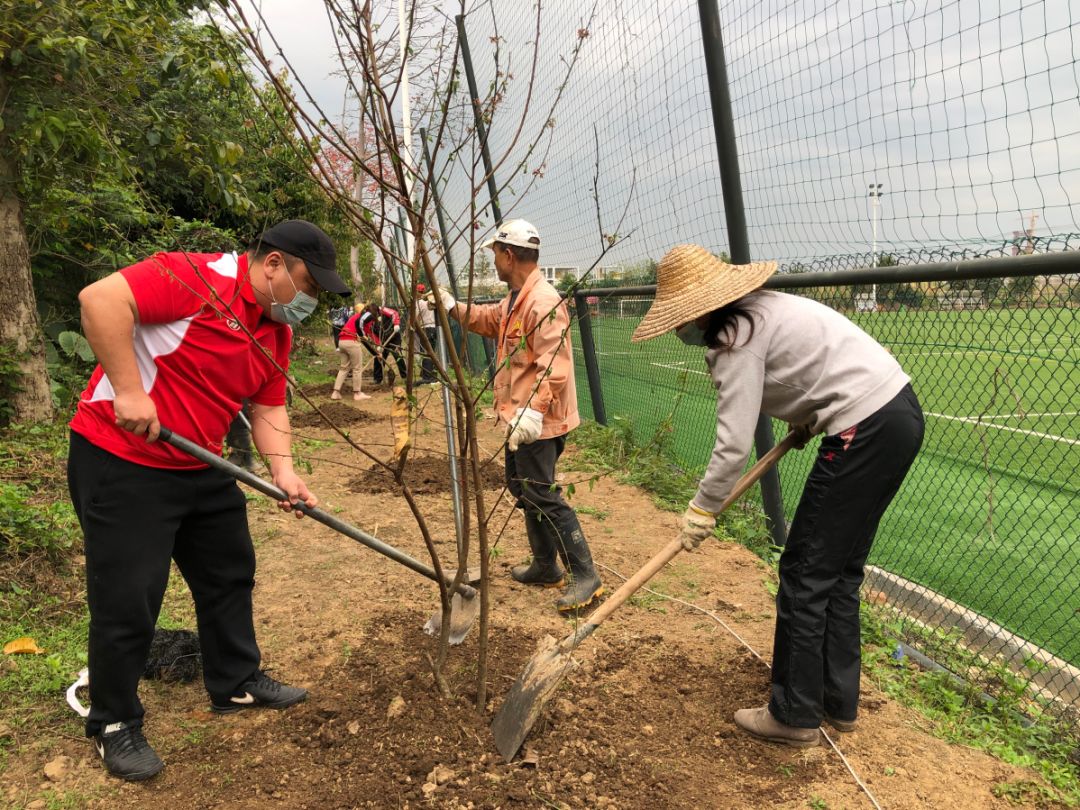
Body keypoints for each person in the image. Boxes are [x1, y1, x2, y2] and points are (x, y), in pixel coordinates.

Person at [68, 219, 351, 781]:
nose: (310, 302)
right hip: (123, 460)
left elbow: (269, 406)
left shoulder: (275, 330)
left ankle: (236, 682)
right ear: (272, 265)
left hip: (201, 461)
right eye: (308, 286)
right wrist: (129, 390)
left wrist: (285, 472)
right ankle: (114, 723)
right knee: (130, 596)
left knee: (229, 572)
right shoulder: (195, 276)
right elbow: (99, 300)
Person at [631, 244, 924, 747]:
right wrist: (807, 415)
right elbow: (808, 368)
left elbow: (733, 443)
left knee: (804, 571)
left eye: (682, 318)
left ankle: (793, 715)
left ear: (701, 310)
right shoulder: (766, 308)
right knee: (837, 572)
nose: (681, 329)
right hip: (897, 413)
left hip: (862, 428)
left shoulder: (735, 340)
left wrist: (703, 506)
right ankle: (837, 702)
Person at [430, 219, 603, 612]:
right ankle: (545, 565)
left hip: (538, 420)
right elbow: (489, 321)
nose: (492, 262)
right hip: (519, 418)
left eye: (494, 254)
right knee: (521, 487)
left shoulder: (543, 302)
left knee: (540, 492)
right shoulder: (515, 300)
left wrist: (533, 412)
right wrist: (452, 307)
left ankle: (585, 574)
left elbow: (554, 365)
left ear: (509, 255)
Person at [361, 302, 407, 385]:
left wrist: (396, 324)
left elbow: (394, 313)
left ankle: (405, 376)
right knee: (378, 357)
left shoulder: (383, 310)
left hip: (394, 337)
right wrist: (378, 344)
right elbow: (372, 333)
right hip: (382, 339)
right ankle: (377, 379)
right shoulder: (370, 319)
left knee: (397, 355)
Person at [331, 304, 371, 401]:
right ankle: (357, 393)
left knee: (344, 368)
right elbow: (364, 338)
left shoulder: (353, 317)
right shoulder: (365, 319)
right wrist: (375, 352)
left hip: (341, 342)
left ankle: (335, 393)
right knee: (357, 368)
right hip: (351, 342)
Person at [415, 283, 438, 383]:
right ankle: (428, 373)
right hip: (433, 328)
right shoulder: (431, 301)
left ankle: (427, 377)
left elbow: (416, 318)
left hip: (426, 329)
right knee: (431, 352)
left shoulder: (419, 303)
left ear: (417, 292)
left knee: (425, 353)